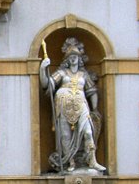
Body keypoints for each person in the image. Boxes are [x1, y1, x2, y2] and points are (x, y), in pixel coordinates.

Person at [39, 37, 105, 173]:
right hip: (63, 106)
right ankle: (70, 161)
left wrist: (95, 109)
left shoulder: (84, 74)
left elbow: (92, 91)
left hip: (81, 105)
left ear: (79, 58)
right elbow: (47, 85)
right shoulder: (61, 73)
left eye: (75, 55)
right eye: (70, 56)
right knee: (65, 135)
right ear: (67, 59)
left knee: (88, 132)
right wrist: (43, 68)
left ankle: (92, 161)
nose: (73, 58)